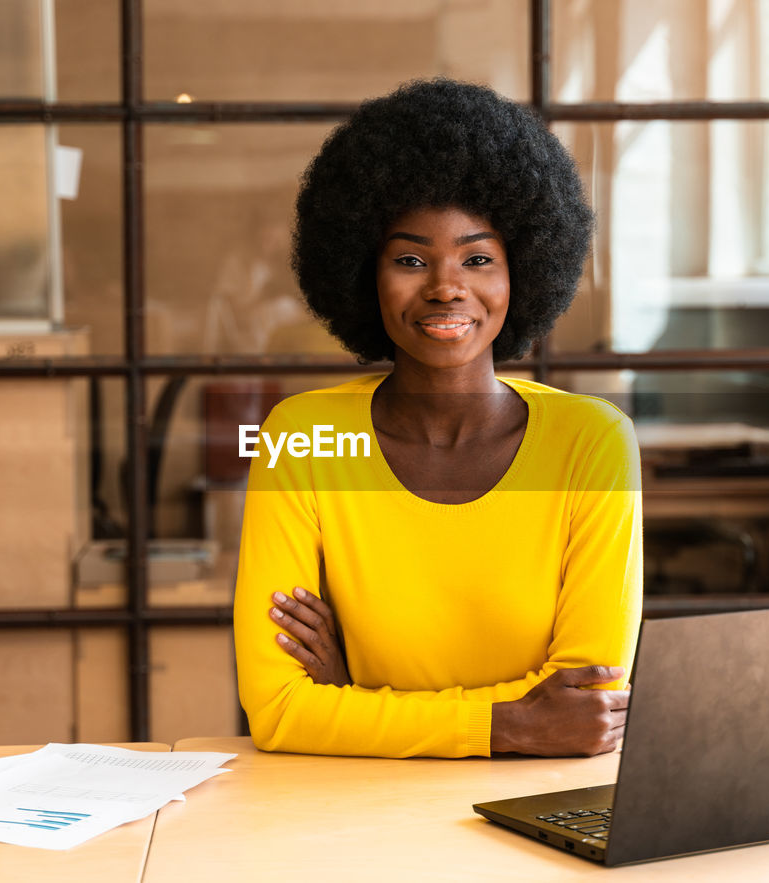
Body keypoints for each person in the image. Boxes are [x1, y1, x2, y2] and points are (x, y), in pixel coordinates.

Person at [233, 79, 642, 759]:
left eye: (478, 258)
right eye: (411, 259)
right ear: (367, 273)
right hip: (354, 810)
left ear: (523, 272)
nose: (446, 286)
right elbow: (278, 711)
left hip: (538, 810)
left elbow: (584, 712)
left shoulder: (590, 442)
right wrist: (511, 723)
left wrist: (356, 702)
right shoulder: (302, 438)